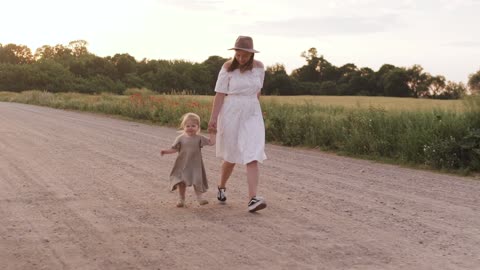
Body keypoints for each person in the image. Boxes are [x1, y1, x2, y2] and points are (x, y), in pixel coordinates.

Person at [208, 35, 267, 213]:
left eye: (244, 55)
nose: (241, 59)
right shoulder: (227, 67)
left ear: (251, 54)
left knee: (253, 153)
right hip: (231, 111)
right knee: (231, 156)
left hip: (252, 112)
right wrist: (213, 119)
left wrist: (255, 111)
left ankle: (252, 199)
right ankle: (221, 186)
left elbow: (257, 92)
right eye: (238, 55)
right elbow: (219, 94)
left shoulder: (259, 68)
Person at [161, 112, 216, 207]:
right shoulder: (180, 138)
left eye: (193, 126)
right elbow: (174, 149)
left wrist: (212, 133)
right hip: (183, 164)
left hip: (195, 165)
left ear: (198, 127)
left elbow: (211, 142)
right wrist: (165, 151)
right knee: (181, 182)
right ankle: (181, 199)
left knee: (197, 180)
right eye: (188, 126)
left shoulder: (199, 138)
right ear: (184, 127)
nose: (190, 128)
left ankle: (200, 198)